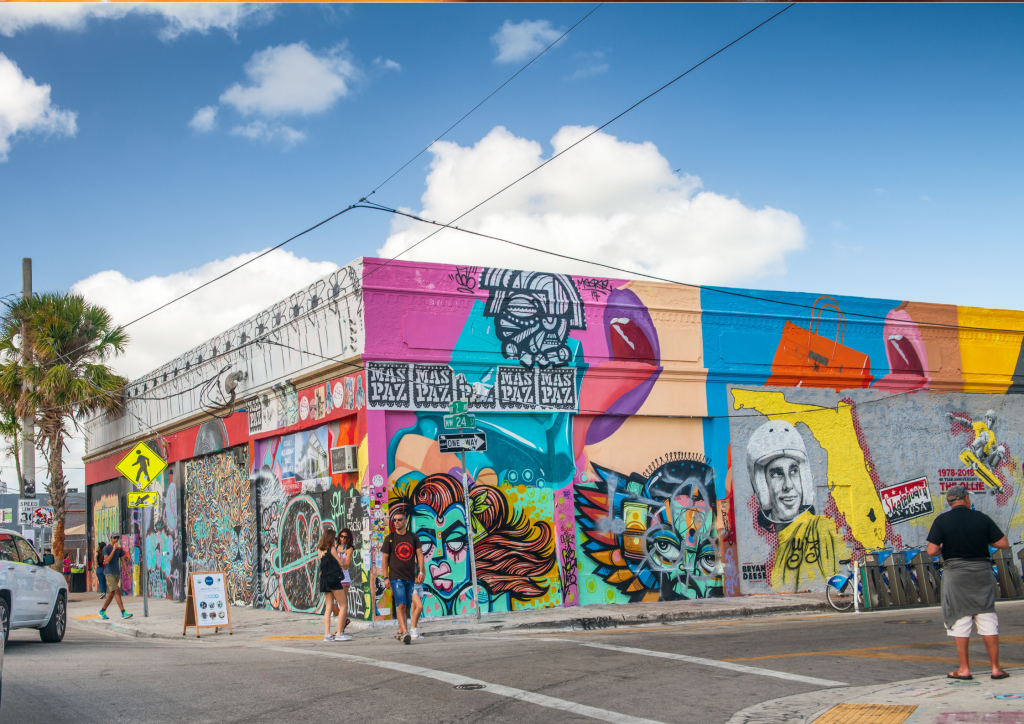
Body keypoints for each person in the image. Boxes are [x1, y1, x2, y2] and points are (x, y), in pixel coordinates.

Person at [926, 484, 1009, 680]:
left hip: (956, 574)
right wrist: (983, 539)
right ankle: (996, 668)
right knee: (987, 616)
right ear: (966, 499)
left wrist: (943, 548)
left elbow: (931, 551)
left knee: (961, 617)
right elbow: (1003, 543)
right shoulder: (982, 518)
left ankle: (964, 669)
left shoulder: (942, 521)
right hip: (981, 572)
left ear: (950, 502)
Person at [381, 510, 425, 644]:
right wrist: (385, 577)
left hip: (410, 577)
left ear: (405, 521)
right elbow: (384, 559)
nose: (396, 522)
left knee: (406, 606)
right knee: (401, 604)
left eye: (399, 520)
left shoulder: (413, 537)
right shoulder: (390, 538)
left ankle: (400, 631)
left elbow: (420, 555)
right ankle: (406, 633)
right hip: (395, 577)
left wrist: (421, 572)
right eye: (394, 520)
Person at [317, 529, 350, 642]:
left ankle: (327, 634)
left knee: (329, 607)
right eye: (335, 538)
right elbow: (340, 563)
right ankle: (340, 633)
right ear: (331, 538)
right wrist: (341, 555)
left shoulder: (320, 550)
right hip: (333, 579)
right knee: (343, 605)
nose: (336, 540)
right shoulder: (331, 549)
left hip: (324, 580)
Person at [98, 534, 132, 620]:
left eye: (118, 538)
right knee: (117, 591)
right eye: (114, 538)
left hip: (116, 573)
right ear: (111, 538)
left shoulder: (119, 549)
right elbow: (107, 561)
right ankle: (123, 612)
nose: (116, 539)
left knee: (111, 593)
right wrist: (113, 550)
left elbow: (123, 561)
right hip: (109, 573)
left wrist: (128, 572)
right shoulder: (107, 548)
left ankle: (102, 610)